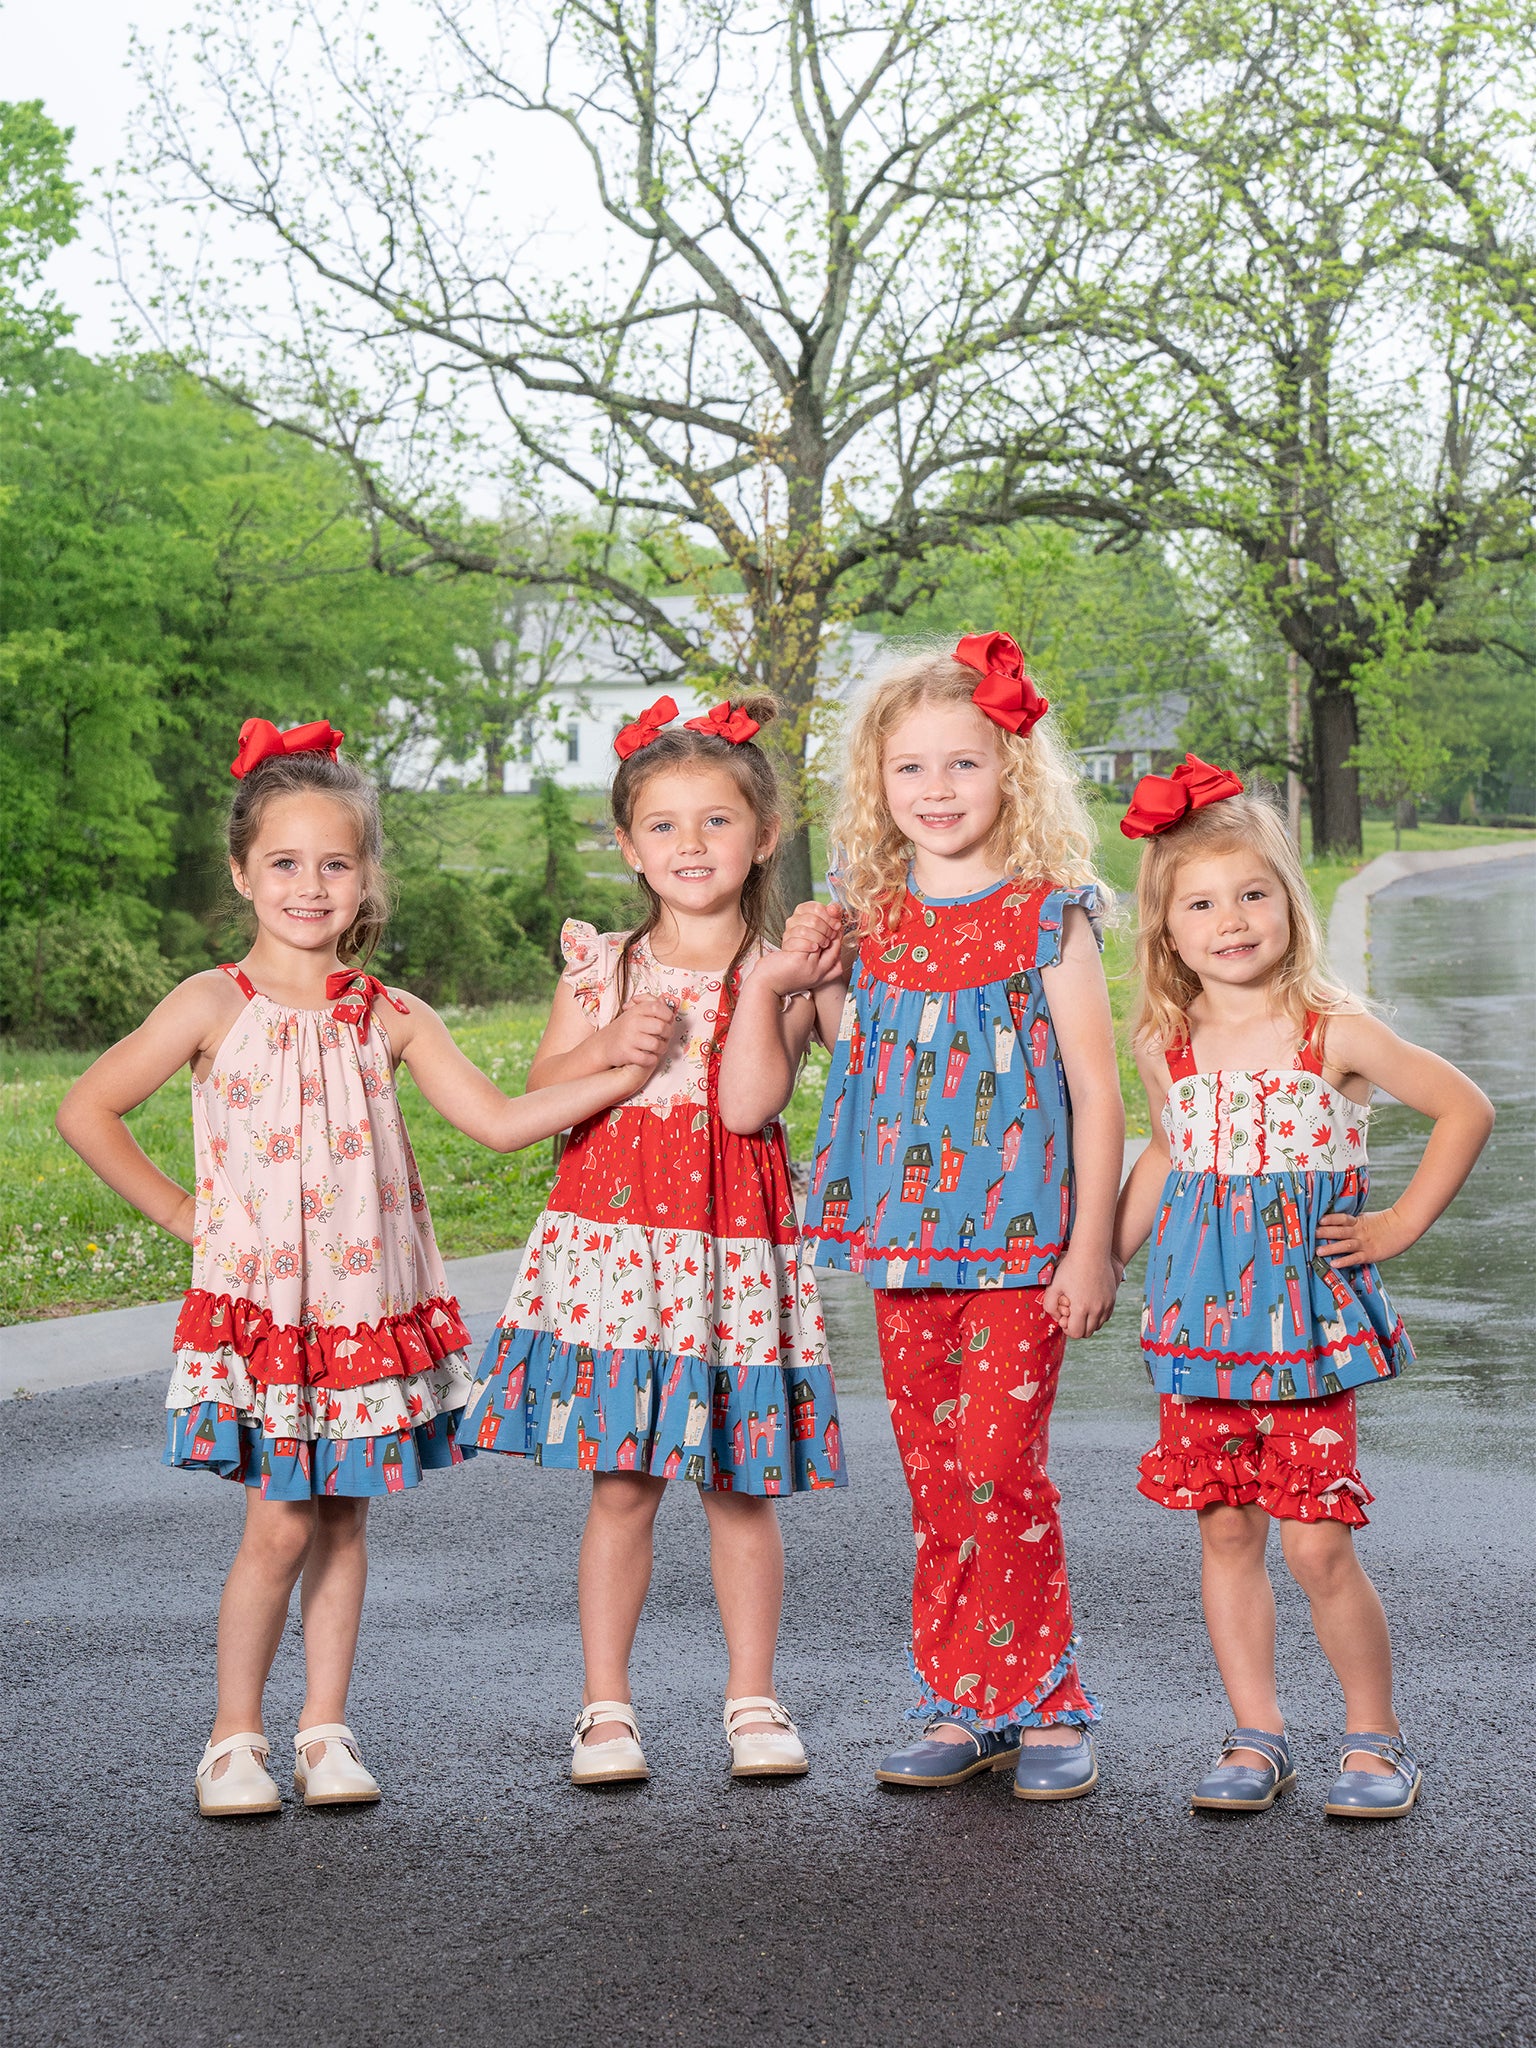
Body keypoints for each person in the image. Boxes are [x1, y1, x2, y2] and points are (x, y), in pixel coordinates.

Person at [56, 718, 657, 1818]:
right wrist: (188, 1214)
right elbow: (86, 1108)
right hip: (267, 1310)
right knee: (279, 1519)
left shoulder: (392, 1014)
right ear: (242, 871)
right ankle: (233, 1737)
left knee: (343, 1516)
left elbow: (499, 1121)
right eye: (285, 862)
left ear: (366, 875)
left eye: (334, 864)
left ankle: (324, 1730)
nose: (310, 886)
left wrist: (615, 1069)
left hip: (362, 1312)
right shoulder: (210, 1003)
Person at [720, 634, 1123, 1801]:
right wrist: (805, 971)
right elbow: (833, 1066)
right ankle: (962, 1698)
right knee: (939, 1475)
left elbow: (1099, 1094)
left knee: (1001, 1465)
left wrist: (1092, 1246)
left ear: (1013, 774)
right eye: (910, 767)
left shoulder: (1050, 918)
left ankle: (1047, 1698)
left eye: (963, 763)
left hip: (1023, 1248)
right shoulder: (867, 920)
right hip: (903, 1246)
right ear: (878, 781)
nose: (936, 789)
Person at [457, 693, 844, 1787]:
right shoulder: (603, 963)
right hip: (618, 1250)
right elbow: (543, 1085)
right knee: (621, 1483)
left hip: (731, 1245)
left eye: (717, 820)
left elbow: (817, 1078)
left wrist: (820, 969)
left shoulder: (784, 966)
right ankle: (606, 1706)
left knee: (740, 1483)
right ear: (629, 846)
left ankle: (753, 1698)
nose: (691, 844)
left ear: (764, 835)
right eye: (664, 825)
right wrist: (606, 1051)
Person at [1111, 758, 1494, 1819]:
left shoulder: (1335, 1030)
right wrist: (1103, 1258)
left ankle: (1376, 1736)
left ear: (1287, 898)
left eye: (1251, 893)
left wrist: (1396, 1225)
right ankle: (1256, 1733)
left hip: (1304, 1332)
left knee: (1318, 1542)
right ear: (1166, 929)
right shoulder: (1166, 1044)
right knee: (1226, 1532)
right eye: (1200, 904)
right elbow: (1166, 1155)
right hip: (1199, 1329)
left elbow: (1465, 1108)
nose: (1230, 920)